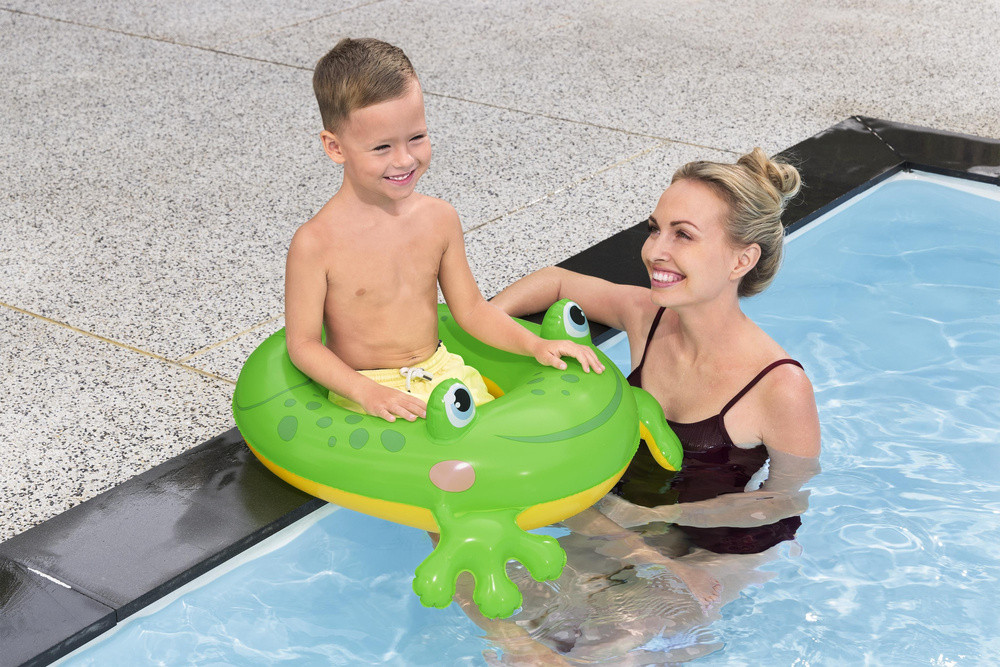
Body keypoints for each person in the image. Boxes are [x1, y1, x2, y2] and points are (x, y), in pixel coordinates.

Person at [486, 149, 821, 662]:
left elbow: (782, 504)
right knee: (473, 557)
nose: (654, 250)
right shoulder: (648, 316)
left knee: (610, 649)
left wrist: (658, 515)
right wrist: (482, 325)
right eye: (654, 229)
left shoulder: (780, 386)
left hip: (707, 553)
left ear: (741, 260)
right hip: (616, 525)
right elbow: (555, 280)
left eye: (683, 235)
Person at [284, 38, 603, 422]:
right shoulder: (317, 243)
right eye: (382, 147)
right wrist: (365, 392)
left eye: (416, 137)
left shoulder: (439, 219)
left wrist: (535, 344)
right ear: (335, 148)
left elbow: (471, 309)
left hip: (442, 372)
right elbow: (303, 344)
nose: (405, 159)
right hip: (367, 387)